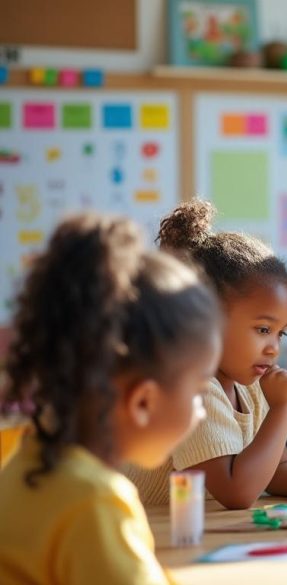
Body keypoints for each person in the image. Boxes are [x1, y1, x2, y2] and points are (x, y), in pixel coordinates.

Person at [0, 215, 221, 583]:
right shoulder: (95, 502)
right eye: (199, 393)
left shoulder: (24, 462)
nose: (200, 413)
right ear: (143, 402)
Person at [127, 200, 287, 508]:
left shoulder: (250, 387)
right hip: (155, 535)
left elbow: (274, 468)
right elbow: (237, 491)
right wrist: (283, 408)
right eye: (263, 330)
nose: (274, 347)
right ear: (208, 319)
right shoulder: (196, 391)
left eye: (281, 333)